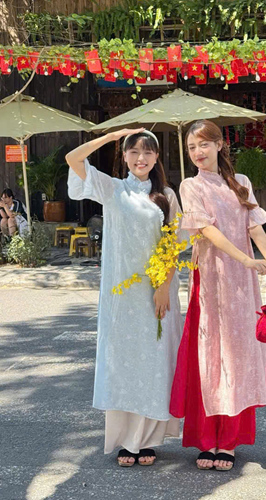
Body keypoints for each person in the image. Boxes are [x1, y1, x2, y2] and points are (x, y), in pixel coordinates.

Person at [169, 119, 266, 472]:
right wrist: (247, 259)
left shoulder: (241, 182)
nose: (198, 152)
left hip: (242, 283)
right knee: (210, 356)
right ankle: (207, 439)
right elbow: (206, 230)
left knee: (238, 355)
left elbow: (254, 225)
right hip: (211, 278)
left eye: (204, 144)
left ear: (220, 145)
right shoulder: (190, 185)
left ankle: (229, 442)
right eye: (192, 147)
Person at [66, 128, 185, 467]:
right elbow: (73, 159)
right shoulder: (113, 189)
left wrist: (163, 287)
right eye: (133, 151)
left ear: (157, 157)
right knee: (124, 363)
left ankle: (148, 440)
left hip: (157, 293)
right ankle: (126, 440)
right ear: (124, 155)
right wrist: (112, 136)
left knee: (155, 361)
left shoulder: (166, 196)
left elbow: (174, 243)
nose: (140, 158)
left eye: (148, 152)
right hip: (122, 297)